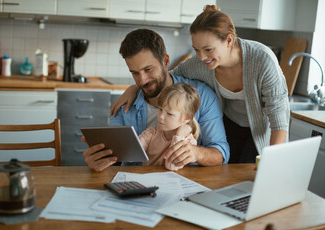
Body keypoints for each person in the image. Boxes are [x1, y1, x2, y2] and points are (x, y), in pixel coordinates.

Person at [111, 6, 290, 164]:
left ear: (229, 40)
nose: (202, 57)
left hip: (261, 127)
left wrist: (272, 165)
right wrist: (136, 87)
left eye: (208, 49)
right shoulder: (199, 64)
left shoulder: (261, 60)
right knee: (233, 176)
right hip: (231, 123)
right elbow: (167, 75)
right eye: (196, 50)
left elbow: (279, 118)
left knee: (258, 172)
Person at [83, 28, 229, 172]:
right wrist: (99, 159)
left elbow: (221, 153)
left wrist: (196, 153)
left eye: (148, 69)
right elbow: (115, 158)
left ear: (165, 61)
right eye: (135, 73)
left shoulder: (202, 96)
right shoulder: (125, 106)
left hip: (185, 184)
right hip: (136, 187)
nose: (142, 80)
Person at [139, 82, 200, 171]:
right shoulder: (151, 133)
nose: (161, 116)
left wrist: (178, 136)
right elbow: (132, 154)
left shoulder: (188, 142)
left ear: (186, 118)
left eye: (169, 114)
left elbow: (171, 166)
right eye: (160, 109)